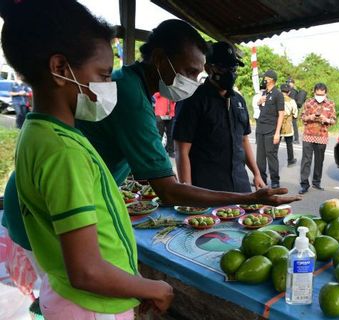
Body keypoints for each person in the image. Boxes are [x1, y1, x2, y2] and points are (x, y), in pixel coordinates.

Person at [1, 0, 174, 318]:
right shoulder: (64, 152)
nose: (109, 87)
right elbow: (86, 271)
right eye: (104, 75)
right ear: (60, 68)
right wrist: (152, 287)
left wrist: (130, 283)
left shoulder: (39, 132)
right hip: (91, 307)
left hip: (71, 294)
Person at [75, 20, 299, 206]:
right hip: (83, 196)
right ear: (161, 59)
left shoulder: (128, 82)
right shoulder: (133, 99)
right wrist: (250, 198)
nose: (192, 82)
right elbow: (170, 190)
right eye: (189, 72)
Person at [173, 41, 265, 192]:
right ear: (209, 68)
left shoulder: (238, 101)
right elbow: (181, 150)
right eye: (223, 67)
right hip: (207, 188)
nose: (230, 72)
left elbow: (243, 140)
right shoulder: (193, 100)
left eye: (233, 68)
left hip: (240, 185)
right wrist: (187, 192)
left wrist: (256, 174)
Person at [299, 83, 336, 194]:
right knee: (306, 160)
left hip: (322, 136)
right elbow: (302, 117)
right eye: (317, 94)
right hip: (308, 135)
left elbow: (334, 120)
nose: (320, 96)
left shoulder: (330, 104)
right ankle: (304, 184)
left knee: (319, 160)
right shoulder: (308, 102)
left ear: (326, 93)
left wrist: (326, 119)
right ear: (314, 93)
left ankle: (316, 182)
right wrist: (310, 117)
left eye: (322, 94)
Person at [256, 69, 285, 188]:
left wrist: (277, 132)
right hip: (260, 129)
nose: (263, 80)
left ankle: (275, 180)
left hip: (271, 130)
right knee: (260, 157)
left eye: (265, 78)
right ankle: (261, 180)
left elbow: (281, 114)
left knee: (271, 155)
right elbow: (262, 110)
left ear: (271, 80)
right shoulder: (264, 93)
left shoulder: (278, 94)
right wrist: (259, 102)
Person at [279, 83, 298, 166]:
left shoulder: (276, 99)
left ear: (280, 91)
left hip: (277, 124)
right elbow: (295, 114)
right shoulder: (292, 101)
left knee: (275, 145)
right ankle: (290, 160)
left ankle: (273, 160)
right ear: (289, 92)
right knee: (289, 144)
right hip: (288, 125)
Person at [153, 92, 175, 157]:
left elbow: (175, 101)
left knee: (170, 134)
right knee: (159, 134)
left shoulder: (172, 90)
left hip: (170, 114)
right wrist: (164, 91)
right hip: (160, 114)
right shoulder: (160, 89)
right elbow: (155, 95)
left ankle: (171, 151)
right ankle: (157, 152)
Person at [286, 78, 307, 144]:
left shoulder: (293, 91)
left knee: (293, 124)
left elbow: (291, 101)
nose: (288, 83)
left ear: (293, 83)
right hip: (292, 109)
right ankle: (287, 137)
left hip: (293, 110)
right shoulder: (294, 91)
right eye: (287, 82)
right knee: (288, 123)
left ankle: (296, 139)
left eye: (289, 82)